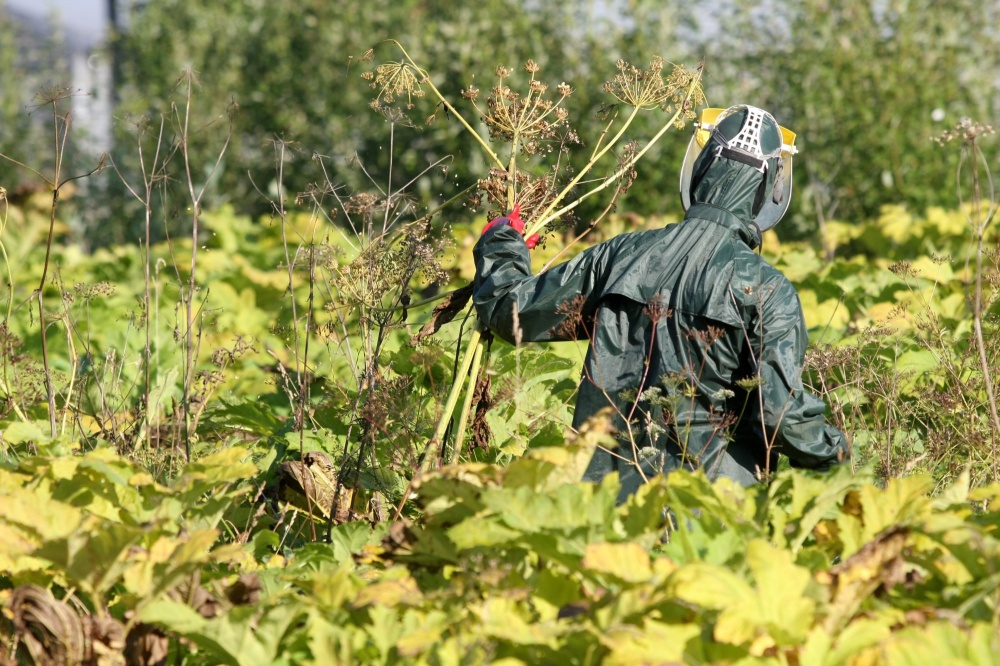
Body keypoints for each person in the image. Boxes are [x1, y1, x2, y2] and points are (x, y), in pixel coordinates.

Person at [473, 104, 848, 501]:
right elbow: (782, 417)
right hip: (711, 514)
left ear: (703, 167)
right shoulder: (769, 291)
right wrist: (843, 463)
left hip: (607, 506)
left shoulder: (621, 254)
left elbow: (508, 311)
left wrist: (502, 238)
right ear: (767, 189)